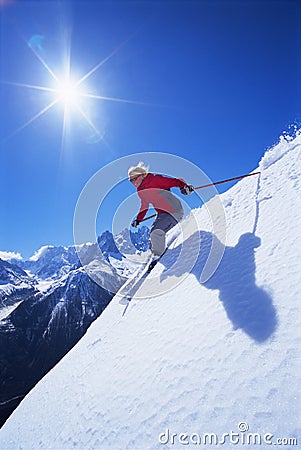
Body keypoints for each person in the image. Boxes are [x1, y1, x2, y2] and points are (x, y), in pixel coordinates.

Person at [128, 162, 194, 267]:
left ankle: (158, 256)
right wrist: (138, 219)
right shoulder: (140, 190)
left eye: (134, 179)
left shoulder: (155, 179)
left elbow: (175, 181)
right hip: (162, 214)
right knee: (152, 235)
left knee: (156, 232)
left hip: (174, 211)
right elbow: (144, 205)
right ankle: (154, 253)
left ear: (142, 175)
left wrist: (184, 187)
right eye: (130, 180)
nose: (133, 182)